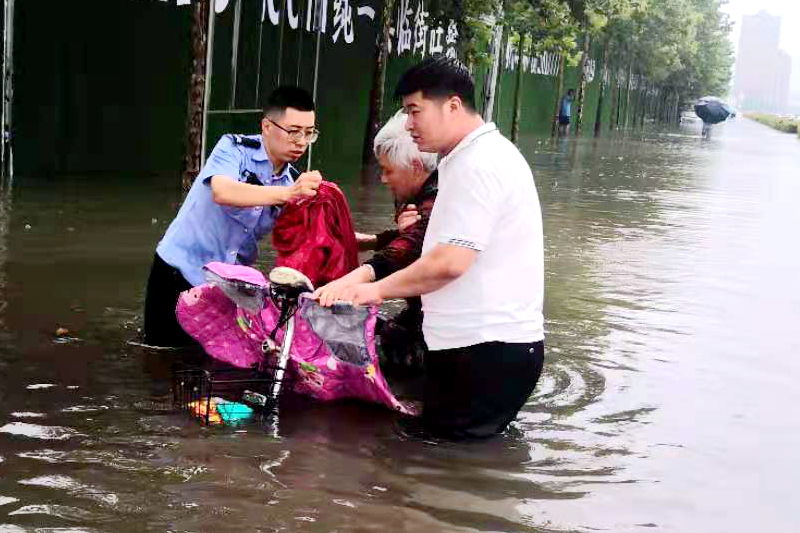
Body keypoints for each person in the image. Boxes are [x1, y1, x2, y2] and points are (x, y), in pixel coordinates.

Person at [318, 56, 545, 439]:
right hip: (477, 348)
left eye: (414, 111)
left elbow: (449, 262)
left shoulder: (480, 163)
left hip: (486, 351)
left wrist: (370, 291)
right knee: (441, 463)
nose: (409, 124)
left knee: (441, 471)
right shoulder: (466, 159)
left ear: (452, 106)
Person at [143, 86, 323, 347]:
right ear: (267, 126)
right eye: (293, 131)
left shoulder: (293, 182)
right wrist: (286, 194)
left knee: (207, 363)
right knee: (160, 354)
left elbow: (314, 237)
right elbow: (222, 191)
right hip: (179, 270)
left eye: (309, 133)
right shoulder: (233, 148)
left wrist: (379, 240)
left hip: (227, 287)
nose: (301, 141)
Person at [315, 112, 439, 372]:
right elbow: (412, 238)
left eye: (387, 170)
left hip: (447, 320)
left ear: (415, 166)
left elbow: (410, 246)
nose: (383, 179)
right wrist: (371, 241)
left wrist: (343, 286)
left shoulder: (437, 198)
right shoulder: (419, 194)